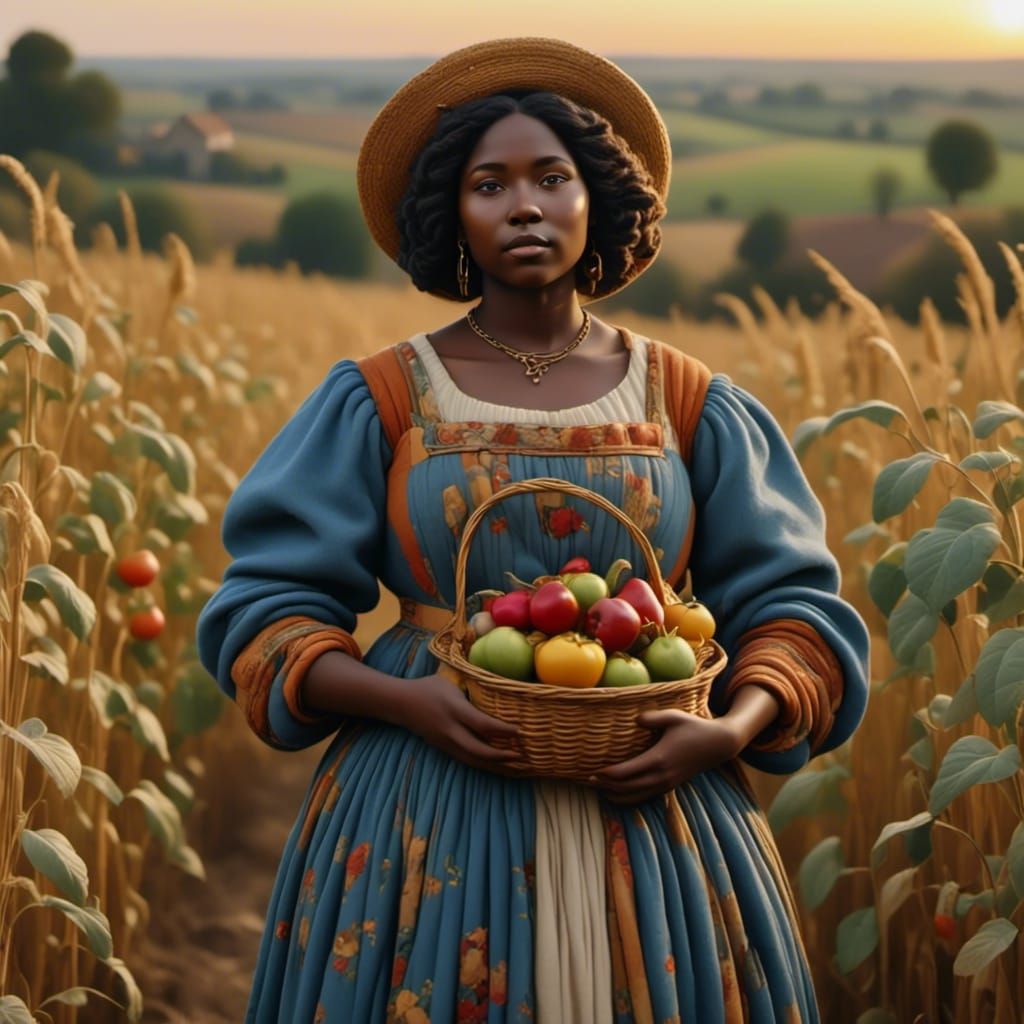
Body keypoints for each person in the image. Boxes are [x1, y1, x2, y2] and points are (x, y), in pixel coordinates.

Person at [196, 37, 870, 1024]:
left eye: (552, 178)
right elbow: (266, 607)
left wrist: (727, 729)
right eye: (489, 184)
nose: (524, 206)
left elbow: (793, 607)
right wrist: (406, 702)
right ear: (453, 215)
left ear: (596, 198)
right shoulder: (381, 398)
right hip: (423, 801)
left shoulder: (691, 401)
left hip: (661, 813)